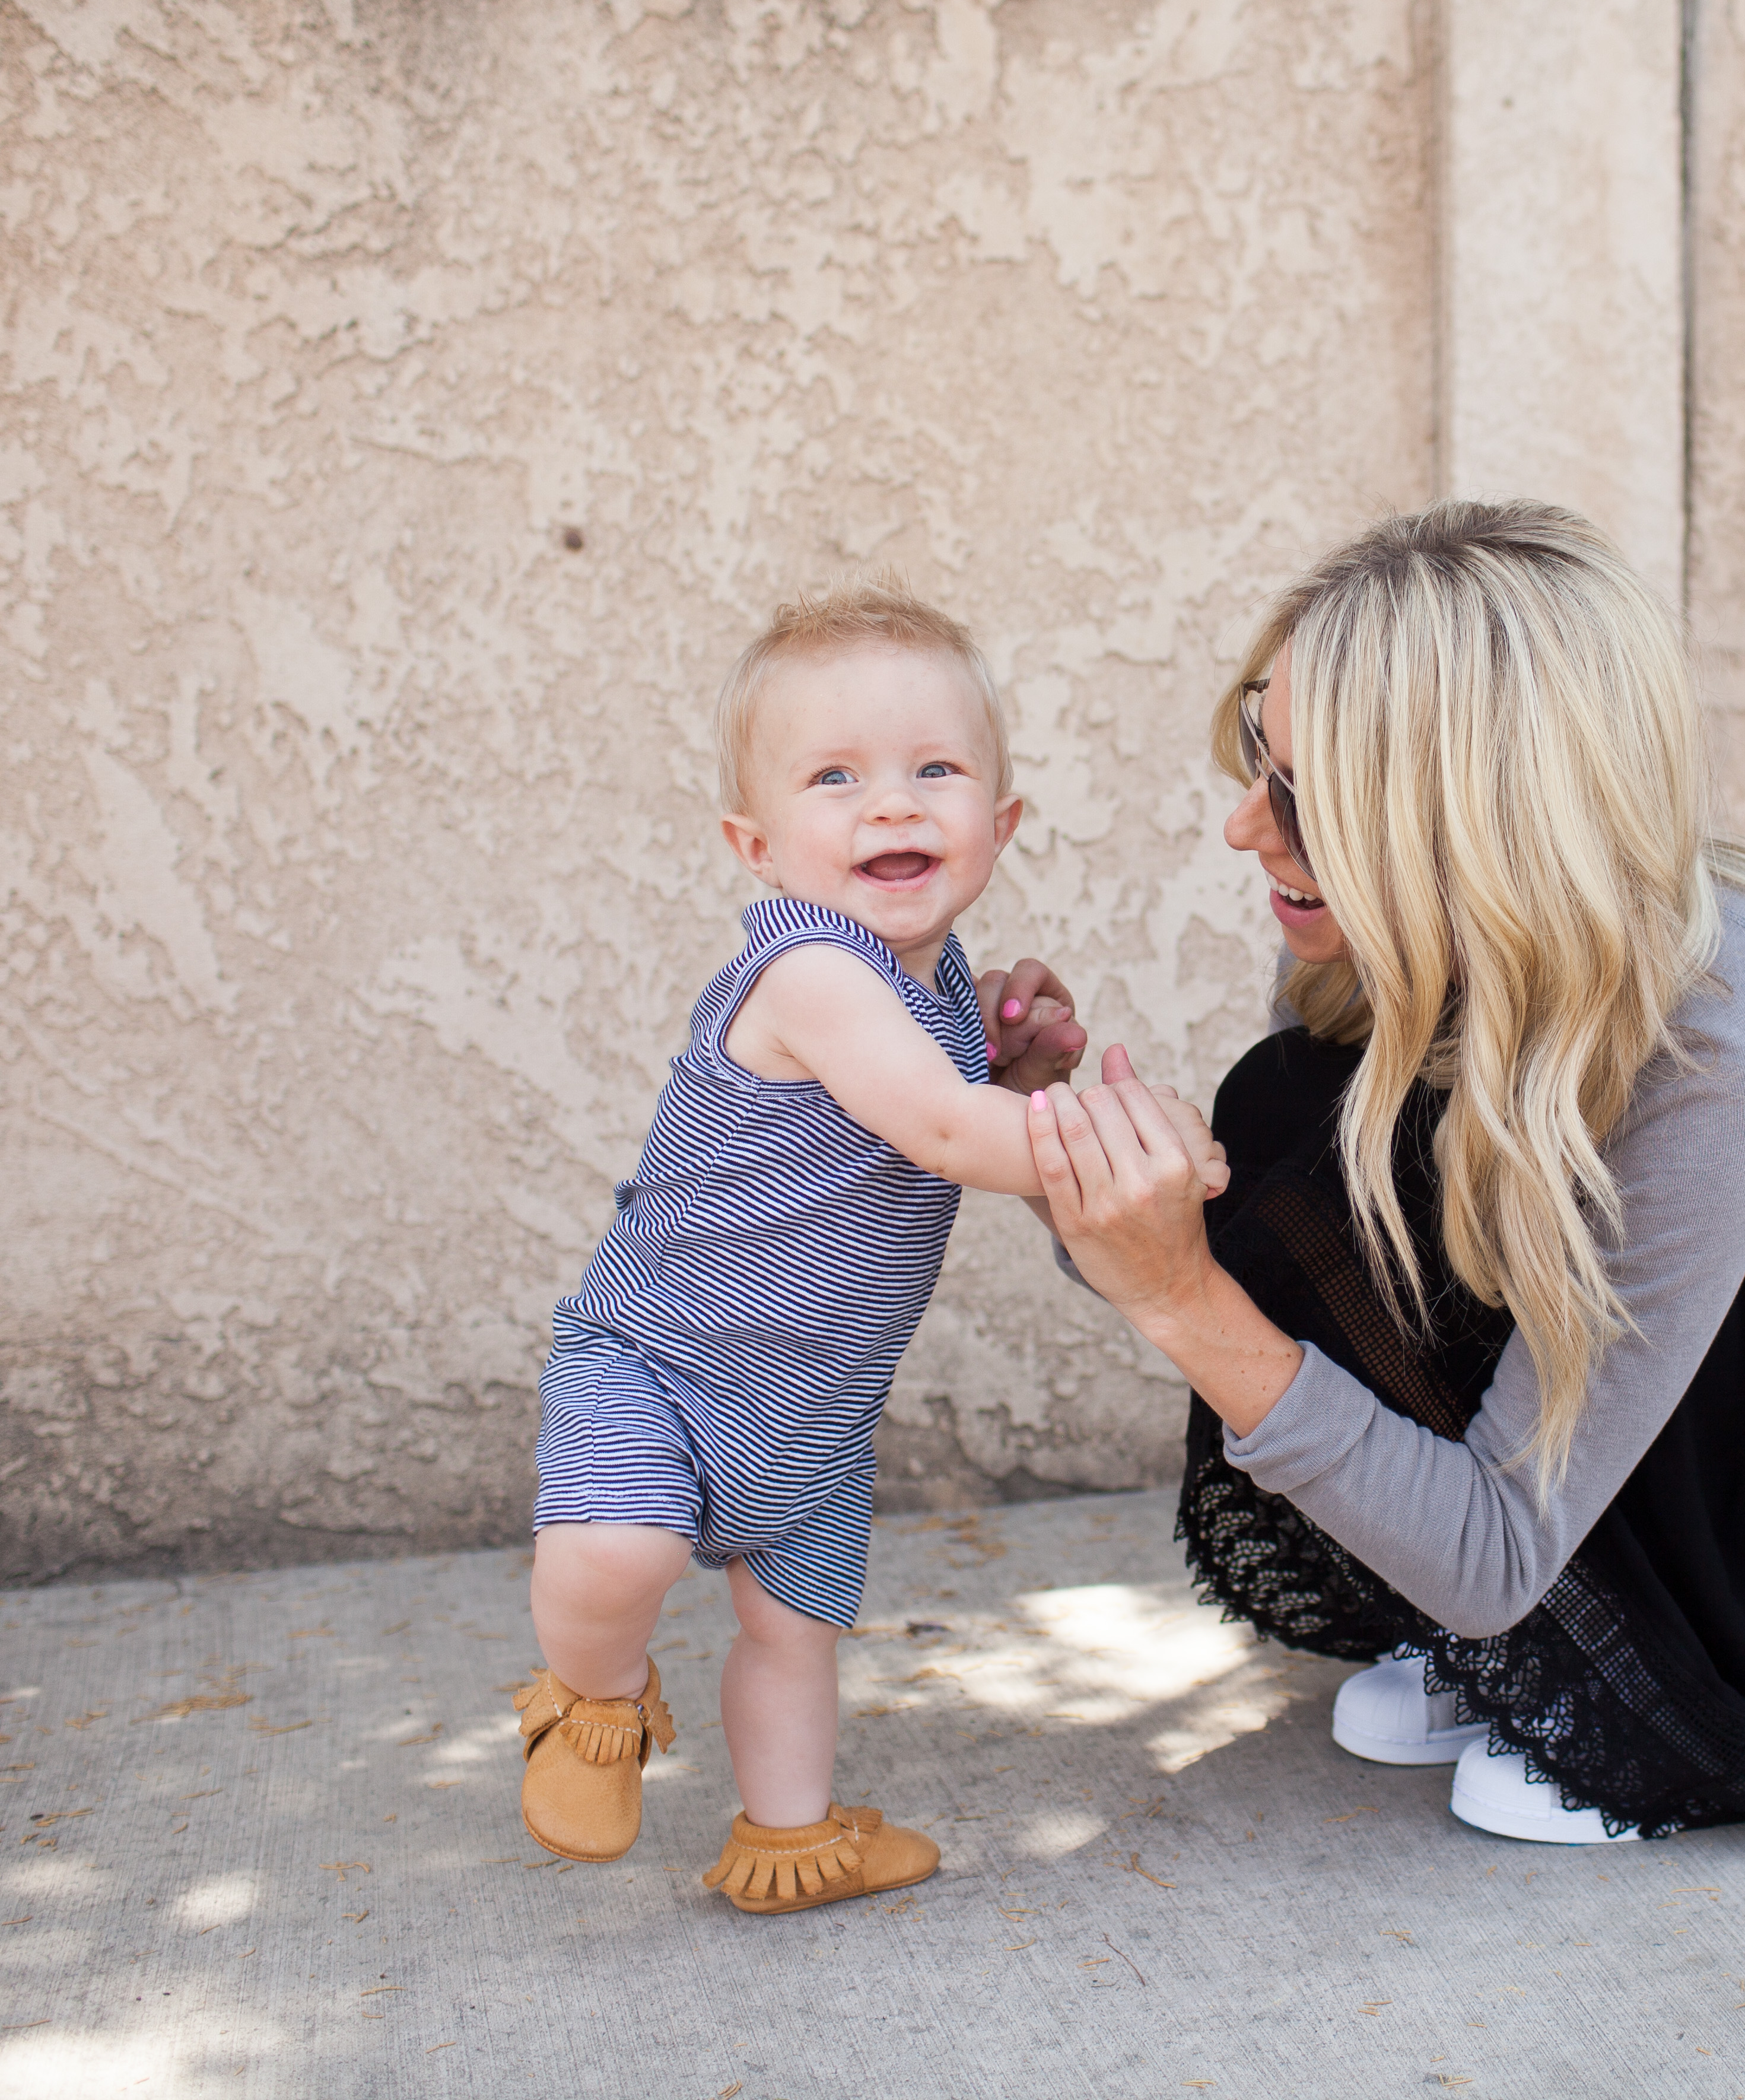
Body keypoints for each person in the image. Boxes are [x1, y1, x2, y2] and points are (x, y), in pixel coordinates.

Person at [1022, 501, 1745, 1842]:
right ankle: (1552, 1648)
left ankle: (1655, 1673)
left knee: (1471, 1198)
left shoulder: (1726, 1047)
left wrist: (1184, 1304)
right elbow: (1227, 1242)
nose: (1248, 827)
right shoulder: (1406, 934)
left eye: (1306, 798)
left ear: (1479, 823)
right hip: (1696, 1330)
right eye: (1263, 749)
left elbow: (1486, 1549)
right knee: (1309, 1118)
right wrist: (1046, 1131)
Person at [513, 584, 1219, 1912]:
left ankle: (790, 1841)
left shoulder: (935, 987)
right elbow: (950, 1133)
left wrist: (1016, 1055)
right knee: (616, 1552)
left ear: (999, 824)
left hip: (818, 1411)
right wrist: (1129, 1133)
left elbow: (957, 1090)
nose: (892, 806)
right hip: (658, 1362)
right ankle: (590, 1699)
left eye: (933, 771)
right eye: (835, 778)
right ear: (757, 841)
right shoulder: (813, 974)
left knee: (794, 1638)